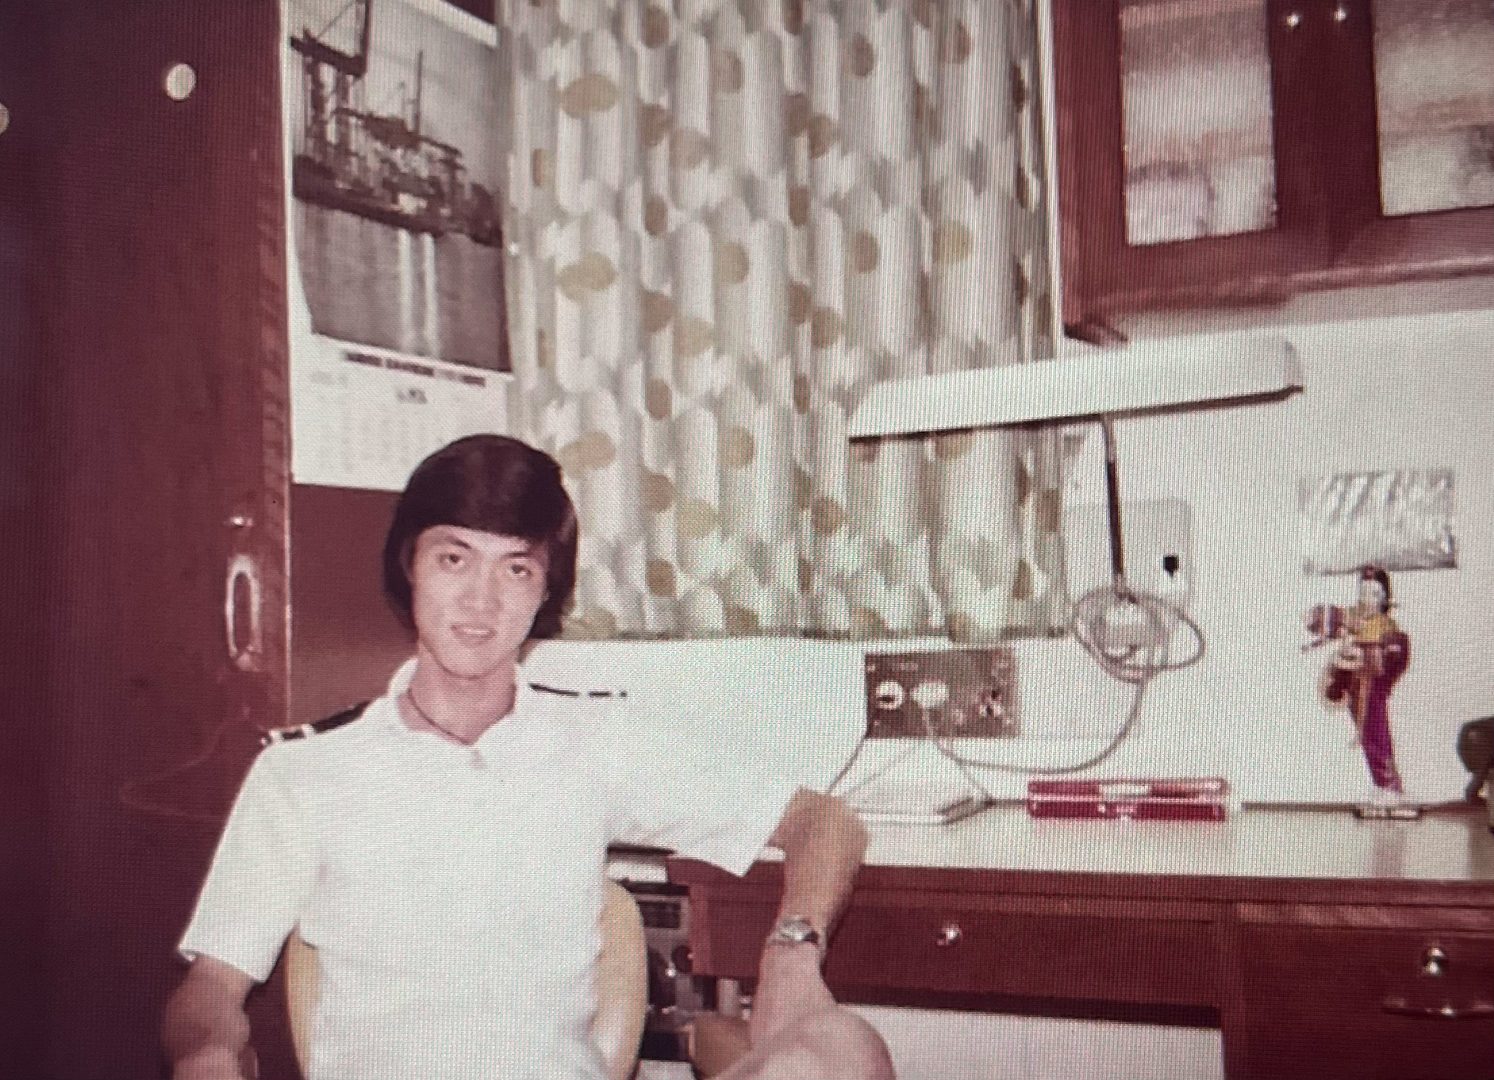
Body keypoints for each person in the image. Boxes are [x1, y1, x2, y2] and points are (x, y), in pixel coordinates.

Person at [162, 434, 893, 1080]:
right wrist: (206, 1055)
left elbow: (824, 821)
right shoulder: (306, 773)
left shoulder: (593, 742)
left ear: (545, 590)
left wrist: (792, 955)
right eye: (454, 559)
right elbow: (210, 991)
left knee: (841, 1050)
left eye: (515, 569)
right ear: (408, 566)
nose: (480, 603)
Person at [1321, 564, 1410, 799]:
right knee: (1368, 734)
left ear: (1383, 598)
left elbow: (1393, 656)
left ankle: (1389, 786)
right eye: (1363, 592)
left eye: (1373, 594)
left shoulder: (1385, 625)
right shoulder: (1357, 620)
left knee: (1375, 730)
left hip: (1372, 684)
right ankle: (1382, 785)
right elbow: (1326, 620)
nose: (1366, 599)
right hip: (1357, 684)